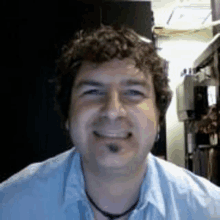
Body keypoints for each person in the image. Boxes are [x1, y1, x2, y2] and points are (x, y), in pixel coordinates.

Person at [0, 24, 220, 220]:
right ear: (68, 115)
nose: (113, 111)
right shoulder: (11, 205)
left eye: (133, 92)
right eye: (93, 91)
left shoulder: (209, 210)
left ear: (159, 117)